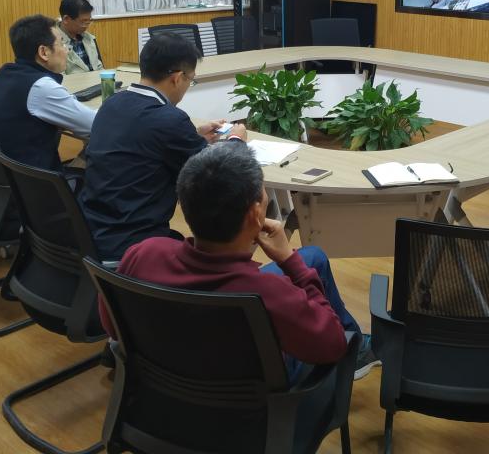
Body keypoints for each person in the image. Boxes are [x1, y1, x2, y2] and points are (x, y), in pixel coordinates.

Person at [102, 141, 380, 385]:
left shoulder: (144, 253)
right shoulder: (267, 294)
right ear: (255, 214)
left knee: (314, 257)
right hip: (255, 413)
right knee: (309, 270)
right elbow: (333, 346)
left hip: (166, 392)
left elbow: (112, 325)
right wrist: (289, 261)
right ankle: (359, 352)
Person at [79, 34, 241, 263]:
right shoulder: (169, 119)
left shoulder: (112, 103)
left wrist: (193, 136)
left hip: (91, 235)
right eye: (191, 81)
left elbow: (144, 140)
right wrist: (236, 140)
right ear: (177, 78)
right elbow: (219, 172)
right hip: (133, 248)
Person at [0, 15, 96, 171]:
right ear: (44, 52)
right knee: (105, 140)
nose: (67, 50)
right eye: (62, 43)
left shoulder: (6, 72)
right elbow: (94, 124)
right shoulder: (41, 87)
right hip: (32, 180)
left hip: (1, 173)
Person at [54, 0, 103, 74]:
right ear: (66, 19)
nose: (87, 26)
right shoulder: (52, 42)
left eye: (89, 21)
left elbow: (99, 67)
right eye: (83, 21)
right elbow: (58, 77)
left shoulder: (89, 38)